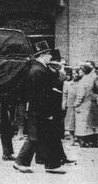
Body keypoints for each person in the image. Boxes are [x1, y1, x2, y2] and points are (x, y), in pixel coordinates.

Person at [14, 41, 66, 174]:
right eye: (48, 54)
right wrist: (48, 112)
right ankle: (24, 162)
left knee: (40, 136)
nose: (50, 57)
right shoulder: (38, 70)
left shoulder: (39, 68)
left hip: (38, 110)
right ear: (42, 55)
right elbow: (41, 95)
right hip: (40, 110)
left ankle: (49, 164)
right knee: (36, 137)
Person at [75, 64, 98, 147]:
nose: (79, 72)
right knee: (91, 123)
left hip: (83, 104)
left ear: (84, 71)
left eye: (81, 70)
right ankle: (93, 142)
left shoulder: (83, 81)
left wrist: (77, 104)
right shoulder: (92, 79)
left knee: (82, 123)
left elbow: (81, 94)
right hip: (91, 103)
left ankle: (83, 141)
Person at [62, 67, 80, 146]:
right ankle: (72, 139)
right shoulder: (68, 84)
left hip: (79, 104)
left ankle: (79, 138)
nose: (74, 75)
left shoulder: (81, 83)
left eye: (76, 73)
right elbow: (65, 94)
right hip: (70, 104)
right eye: (73, 74)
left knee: (78, 121)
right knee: (71, 121)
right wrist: (64, 103)